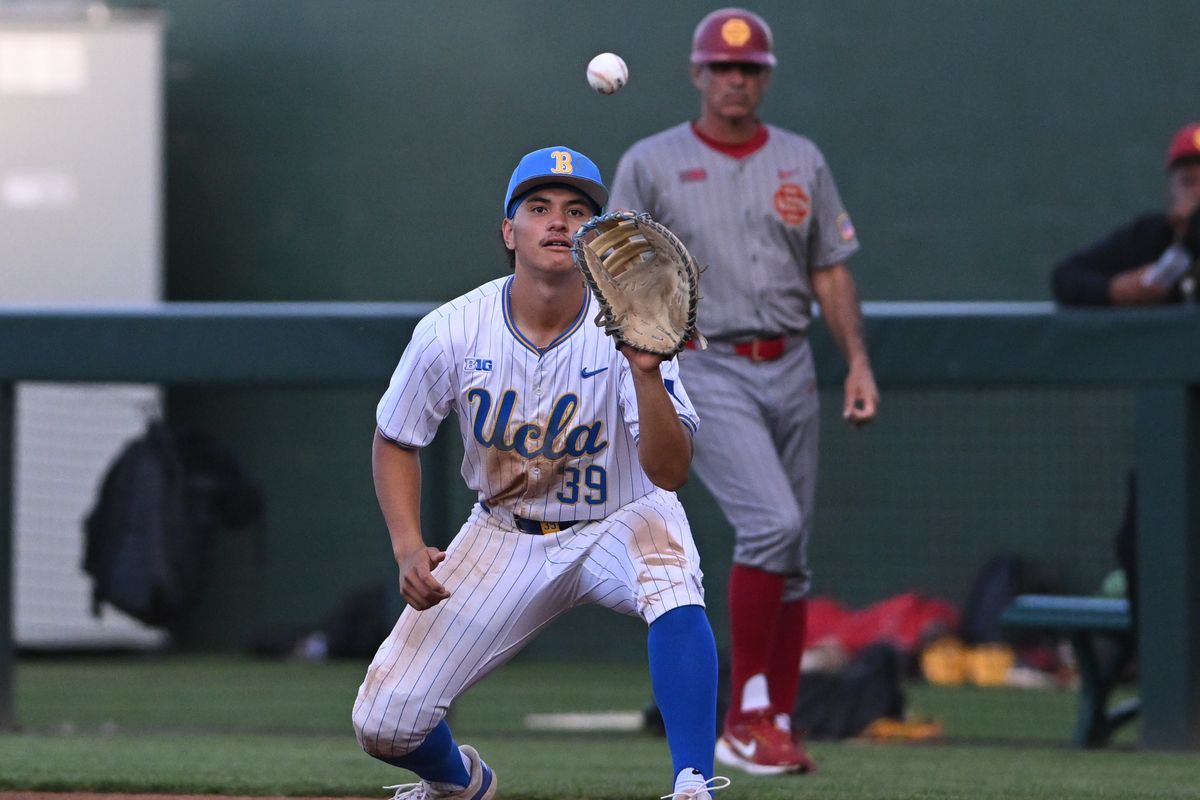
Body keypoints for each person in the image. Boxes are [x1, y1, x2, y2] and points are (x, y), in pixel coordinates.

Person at [351, 146, 729, 800]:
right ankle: (460, 784)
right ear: (508, 231)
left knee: (672, 580)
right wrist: (408, 546)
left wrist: (646, 372)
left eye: (578, 210)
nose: (558, 221)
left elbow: (670, 472)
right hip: (504, 533)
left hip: (623, 513)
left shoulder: (634, 328)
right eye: (539, 207)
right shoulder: (452, 330)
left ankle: (692, 782)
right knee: (383, 723)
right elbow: (394, 439)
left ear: (595, 236)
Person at [609, 7, 880, 777]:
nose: (735, 79)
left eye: (749, 68)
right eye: (722, 68)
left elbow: (829, 267)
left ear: (764, 77)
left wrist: (855, 360)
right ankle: (744, 718)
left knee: (791, 555)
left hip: (791, 361)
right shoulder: (652, 161)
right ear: (698, 73)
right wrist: (649, 362)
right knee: (772, 523)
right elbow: (620, 269)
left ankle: (778, 720)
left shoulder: (801, 159)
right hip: (708, 359)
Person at [1051, 121, 1200, 306]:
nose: (1197, 192)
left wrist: (1193, 224)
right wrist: (1117, 289)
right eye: (1188, 182)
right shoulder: (1151, 234)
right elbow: (1066, 277)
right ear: (1170, 191)